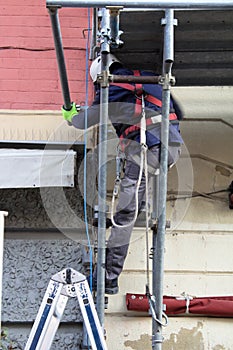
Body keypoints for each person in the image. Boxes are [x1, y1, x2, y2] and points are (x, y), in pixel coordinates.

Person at [62, 54, 184, 294]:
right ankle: (145, 206)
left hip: (146, 147)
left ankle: (108, 277)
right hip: (172, 146)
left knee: (125, 213)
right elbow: (178, 109)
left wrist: (72, 116)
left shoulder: (112, 86)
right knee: (137, 196)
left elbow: (85, 121)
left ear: (99, 78)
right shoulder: (150, 79)